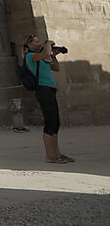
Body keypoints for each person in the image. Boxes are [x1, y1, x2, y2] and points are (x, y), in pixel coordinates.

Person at [24, 34, 74, 164]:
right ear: (29, 45)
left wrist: (53, 56)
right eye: (35, 42)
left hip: (50, 90)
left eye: (38, 41)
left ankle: (57, 153)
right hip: (43, 90)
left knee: (55, 122)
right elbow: (45, 51)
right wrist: (48, 43)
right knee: (49, 122)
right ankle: (49, 155)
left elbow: (56, 68)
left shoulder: (44, 58)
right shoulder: (30, 56)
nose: (38, 43)